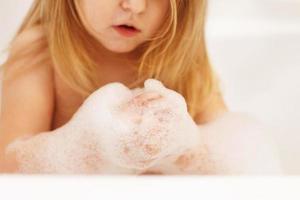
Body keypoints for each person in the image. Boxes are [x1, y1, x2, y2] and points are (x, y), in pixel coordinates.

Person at [0, 0, 282, 174]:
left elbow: (229, 156)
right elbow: (9, 166)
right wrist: (91, 146)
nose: (135, 5)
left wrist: (182, 147)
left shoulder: (181, 58)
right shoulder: (41, 51)